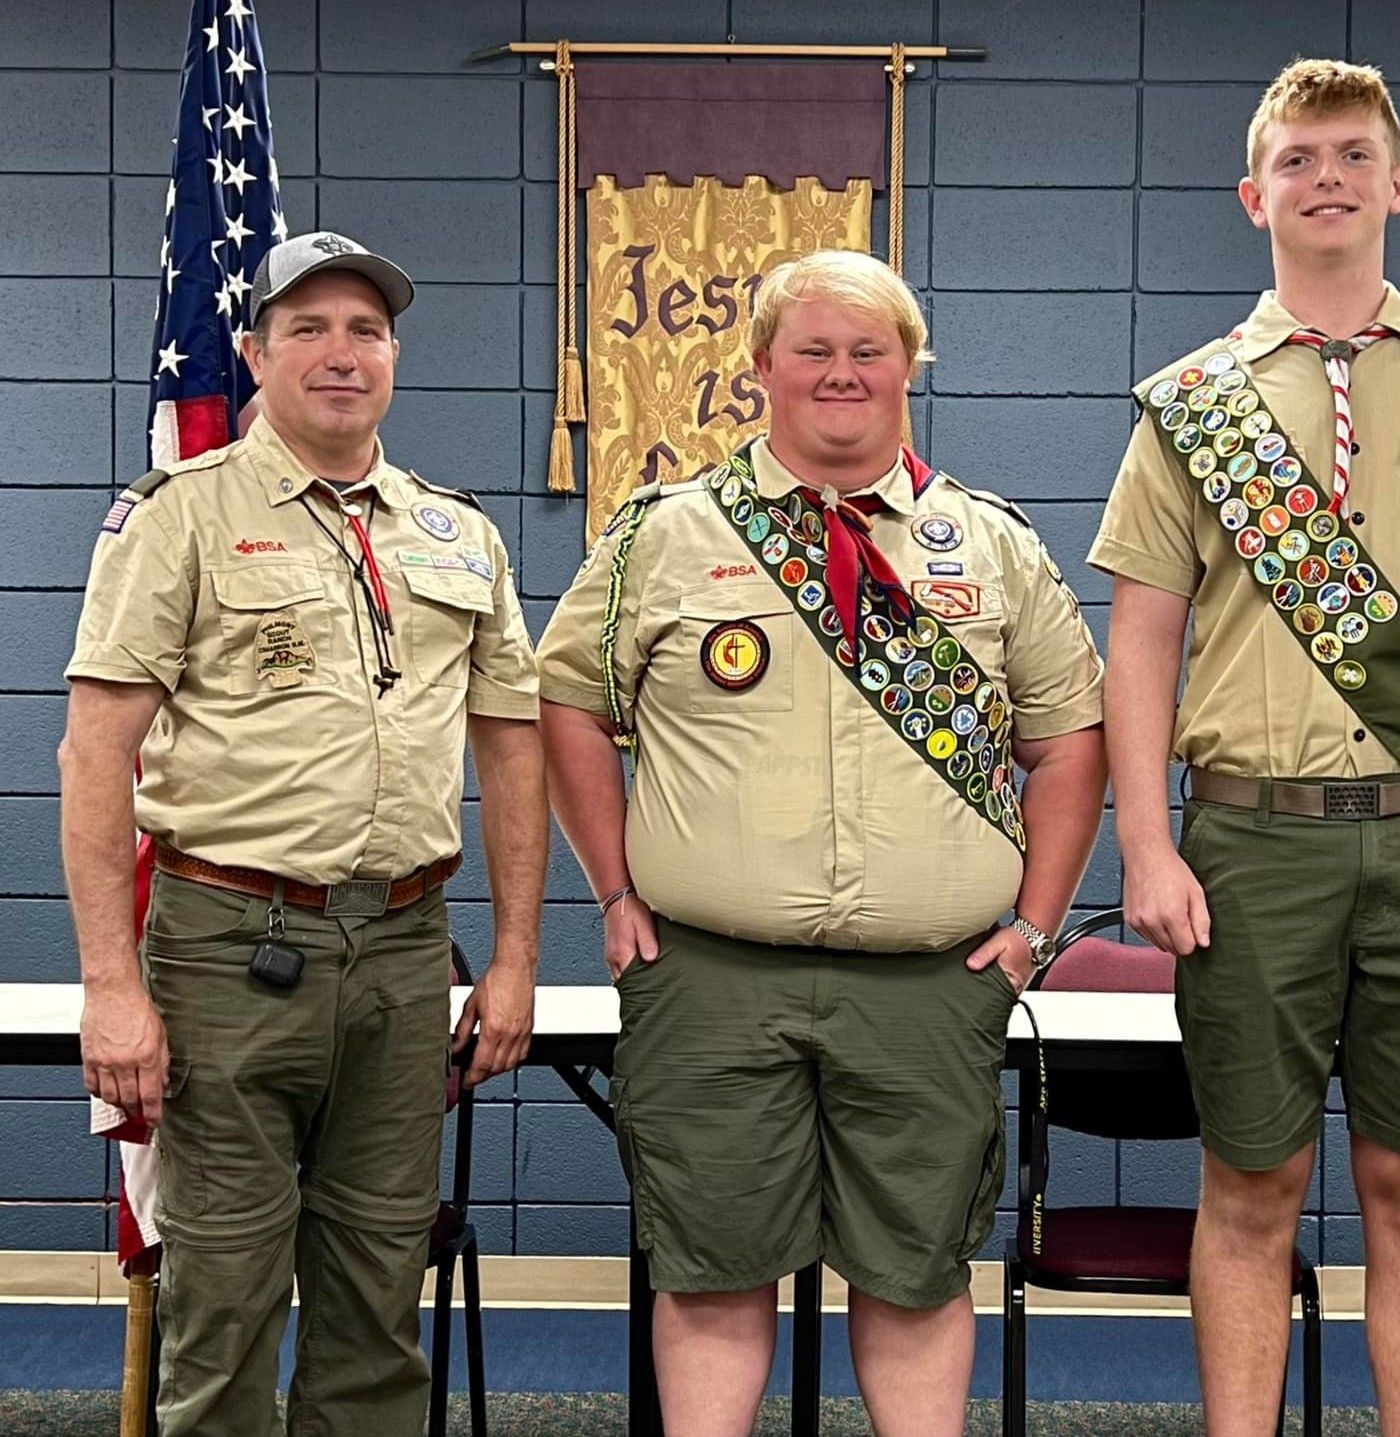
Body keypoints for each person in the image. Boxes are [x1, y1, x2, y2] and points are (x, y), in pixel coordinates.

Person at [1092, 60, 1400, 1435]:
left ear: (1396, 184)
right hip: (1250, 836)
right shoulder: (1193, 403)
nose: (1328, 176)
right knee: (1248, 1184)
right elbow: (1138, 643)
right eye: (1301, 156)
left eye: (1354, 153)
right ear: (1255, 193)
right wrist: (1144, 841)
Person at [537, 249, 1106, 1437]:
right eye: (812, 350)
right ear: (760, 370)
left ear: (908, 367)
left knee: (914, 1272)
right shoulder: (664, 534)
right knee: (710, 1267)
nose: (840, 373)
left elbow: (1067, 743)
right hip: (708, 976)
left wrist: (1033, 925)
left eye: (868, 350)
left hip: (930, 984)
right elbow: (569, 709)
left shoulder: (990, 544)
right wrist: (609, 889)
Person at [59, 230, 547, 1436]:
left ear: (393, 357)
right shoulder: (176, 515)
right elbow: (94, 756)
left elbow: (512, 746)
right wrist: (111, 988)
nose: (342, 354)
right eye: (310, 330)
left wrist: (518, 956)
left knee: (378, 1294)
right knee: (222, 1292)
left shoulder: (456, 532)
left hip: (399, 949)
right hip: (227, 945)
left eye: (366, 331)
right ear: (254, 356)